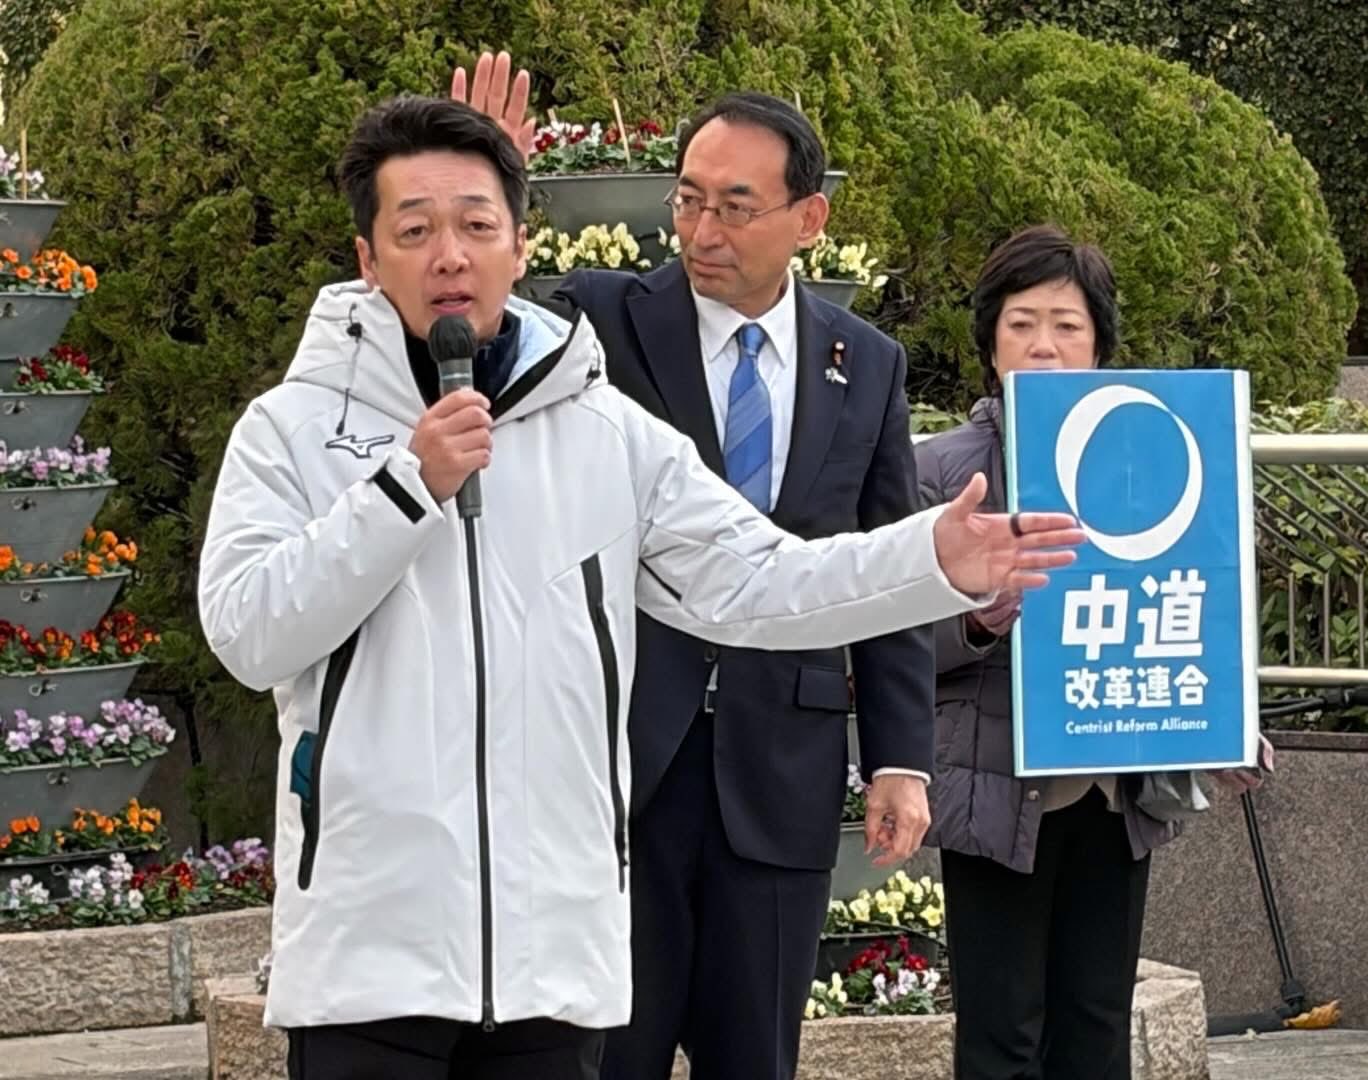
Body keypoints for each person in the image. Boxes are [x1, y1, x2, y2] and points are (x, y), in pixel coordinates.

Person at [197, 98, 1083, 1080]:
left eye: (478, 224)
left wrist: (926, 561)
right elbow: (249, 631)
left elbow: (761, 576)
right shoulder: (292, 432)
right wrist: (407, 490)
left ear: (519, 243)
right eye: (416, 229)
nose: (450, 254)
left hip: (551, 965)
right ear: (366, 256)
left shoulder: (606, 434)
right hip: (373, 955)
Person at [452, 55, 939, 1080]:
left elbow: (881, 569)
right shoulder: (605, 322)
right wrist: (474, 177)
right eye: (687, 199)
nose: (701, 231)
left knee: (754, 1057)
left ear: (809, 219)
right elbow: (474, 335)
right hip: (624, 765)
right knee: (601, 1057)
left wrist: (900, 756)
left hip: (783, 772)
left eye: (734, 206)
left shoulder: (867, 365)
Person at [915, 224, 1270, 1080]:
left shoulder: (1151, 457)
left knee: (1098, 1029)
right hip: (995, 795)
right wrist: (974, 618)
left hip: (1116, 794)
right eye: (1021, 322)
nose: (1044, 345)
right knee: (1001, 1038)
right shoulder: (942, 473)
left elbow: (1194, 601)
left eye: (1067, 326)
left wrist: (1224, 722)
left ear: (1102, 344)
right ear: (989, 342)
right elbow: (885, 647)